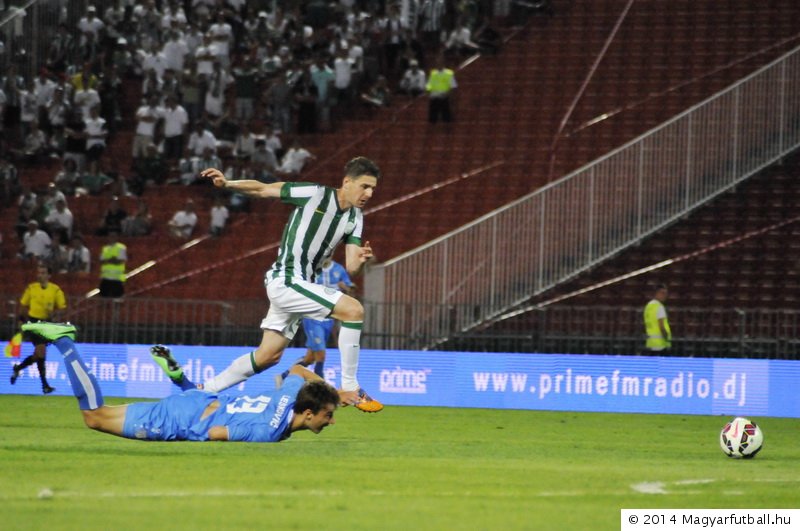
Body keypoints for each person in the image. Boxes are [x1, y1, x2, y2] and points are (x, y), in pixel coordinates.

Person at [174, 159, 383, 412]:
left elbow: (351, 267)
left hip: (301, 285)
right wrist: (227, 183)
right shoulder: (314, 194)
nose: (369, 194)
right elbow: (264, 189)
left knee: (268, 356)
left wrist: (361, 261)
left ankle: (202, 392)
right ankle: (350, 386)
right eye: (365, 186)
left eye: (372, 188)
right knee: (353, 310)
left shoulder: (355, 218)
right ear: (347, 182)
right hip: (285, 279)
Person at [21, 321, 357, 442]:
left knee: (199, 396)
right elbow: (213, 433)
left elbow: (297, 372)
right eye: (328, 414)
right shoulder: (268, 432)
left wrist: (334, 393)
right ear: (309, 413)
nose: (332, 420)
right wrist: (177, 429)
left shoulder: (287, 396)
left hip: (198, 402)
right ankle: (64, 341)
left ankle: (180, 379)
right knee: (95, 417)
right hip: (184, 418)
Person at [277, 258, 354, 383]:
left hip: (329, 319)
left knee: (309, 358)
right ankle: (322, 389)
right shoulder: (311, 270)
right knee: (321, 355)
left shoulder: (339, 269)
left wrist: (345, 287)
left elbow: (351, 289)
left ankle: (283, 376)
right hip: (312, 318)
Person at [10, 265, 67, 394]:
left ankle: (18, 368)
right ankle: (45, 385)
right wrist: (21, 320)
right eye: (39, 272)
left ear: (49, 275)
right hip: (33, 322)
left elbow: (63, 307)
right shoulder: (31, 288)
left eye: (43, 272)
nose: (39, 275)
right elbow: (24, 305)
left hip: (47, 324)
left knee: (38, 355)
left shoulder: (55, 290)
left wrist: (55, 314)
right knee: (41, 352)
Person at [426, 56, 457, 123]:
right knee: (432, 120)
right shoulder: (433, 73)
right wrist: (429, 95)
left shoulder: (449, 73)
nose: (438, 64)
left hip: (444, 98)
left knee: (446, 119)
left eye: (440, 62)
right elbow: (428, 87)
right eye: (437, 63)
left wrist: (447, 94)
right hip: (434, 99)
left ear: (443, 63)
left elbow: (453, 87)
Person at [643, 284, 672, 355]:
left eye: (666, 293)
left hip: (651, 342)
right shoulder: (659, 307)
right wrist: (666, 338)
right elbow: (661, 326)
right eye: (663, 293)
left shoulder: (648, 306)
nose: (665, 296)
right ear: (657, 293)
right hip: (660, 343)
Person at [98, 230, 127, 297]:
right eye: (110, 236)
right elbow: (101, 262)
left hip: (117, 278)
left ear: (117, 237)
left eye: (113, 236)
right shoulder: (105, 248)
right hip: (105, 277)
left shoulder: (121, 248)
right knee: (103, 297)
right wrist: (112, 259)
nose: (111, 238)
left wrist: (108, 260)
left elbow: (120, 261)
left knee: (117, 298)